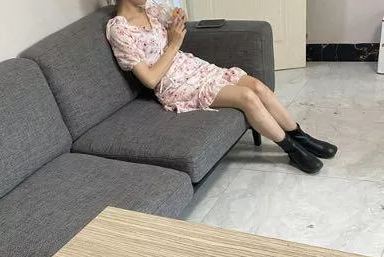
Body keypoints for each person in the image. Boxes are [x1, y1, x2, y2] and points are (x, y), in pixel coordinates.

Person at [106, 0, 338, 174]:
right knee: (246, 97)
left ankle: (301, 136)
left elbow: (171, 32)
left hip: (192, 66)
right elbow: (149, 80)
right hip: (174, 84)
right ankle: (292, 150)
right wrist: (174, 44)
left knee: (257, 86)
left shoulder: (151, 9)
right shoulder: (119, 30)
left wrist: (178, 22)